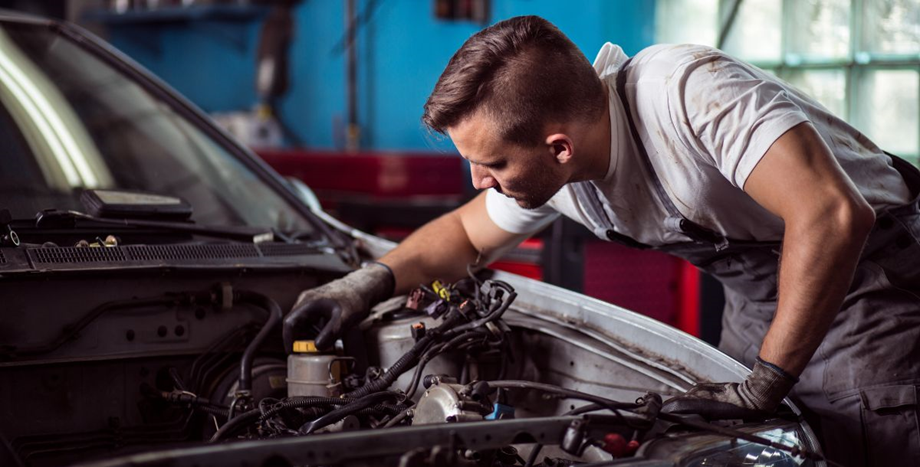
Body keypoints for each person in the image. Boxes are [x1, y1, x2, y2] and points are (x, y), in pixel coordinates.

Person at [286, 15, 920, 466]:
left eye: (493, 166)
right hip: (760, 294)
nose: (479, 182)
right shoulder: (560, 170)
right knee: (742, 450)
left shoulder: (690, 94)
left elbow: (833, 214)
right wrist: (363, 282)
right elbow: (461, 235)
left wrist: (764, 381)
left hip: (871, 280)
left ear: (558, 147)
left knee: (858, 442)